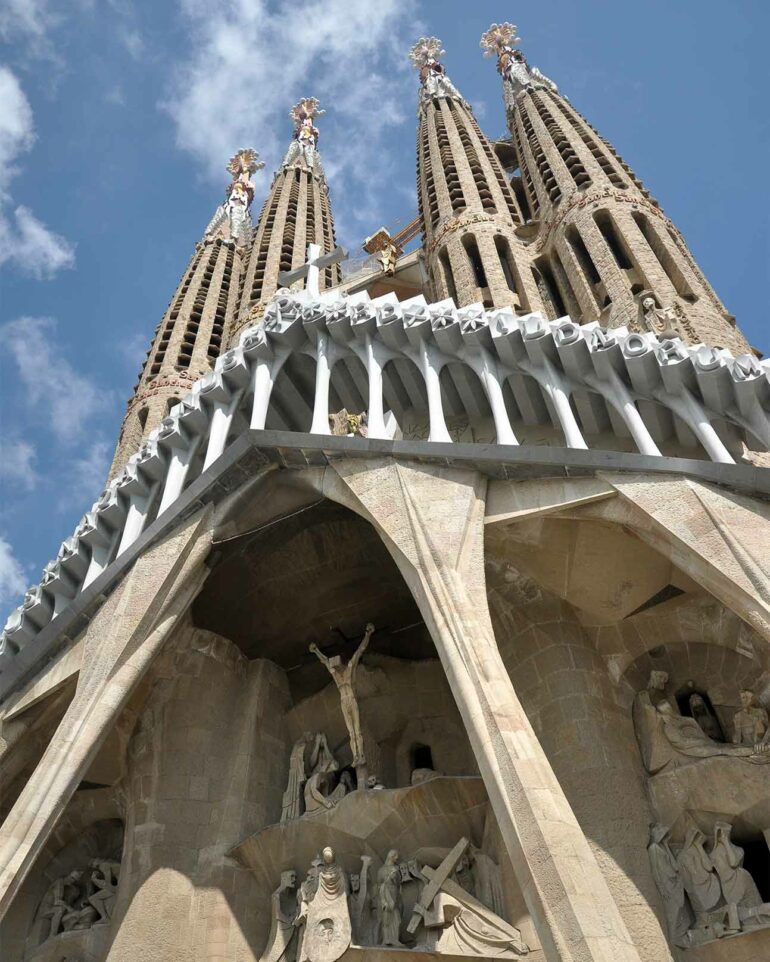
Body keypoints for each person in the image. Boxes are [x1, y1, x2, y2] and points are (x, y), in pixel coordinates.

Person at [309, 625, 374, 766]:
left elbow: (359, 651)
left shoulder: (350, 668)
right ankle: (356, 757)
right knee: (351, 733)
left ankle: (361, 755)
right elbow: (325, 661)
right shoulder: (336, 674)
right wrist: (315, 651)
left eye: (336, 664)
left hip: (351, 699)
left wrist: (367, 635)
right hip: (344, 702)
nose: (335, 666)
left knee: (357, 731)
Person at [375, 850, 403, 946]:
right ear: (391, 856)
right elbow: (379, 884)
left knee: (397, 919)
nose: (397, 858)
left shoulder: (396, 868)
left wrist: (394, 878)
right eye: (395, 856)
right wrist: (383, 900)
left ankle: (395, 939)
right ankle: (386, 939)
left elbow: (399, 883)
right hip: (386, 894)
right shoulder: (381, 870)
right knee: (386, 919)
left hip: (395, 894)